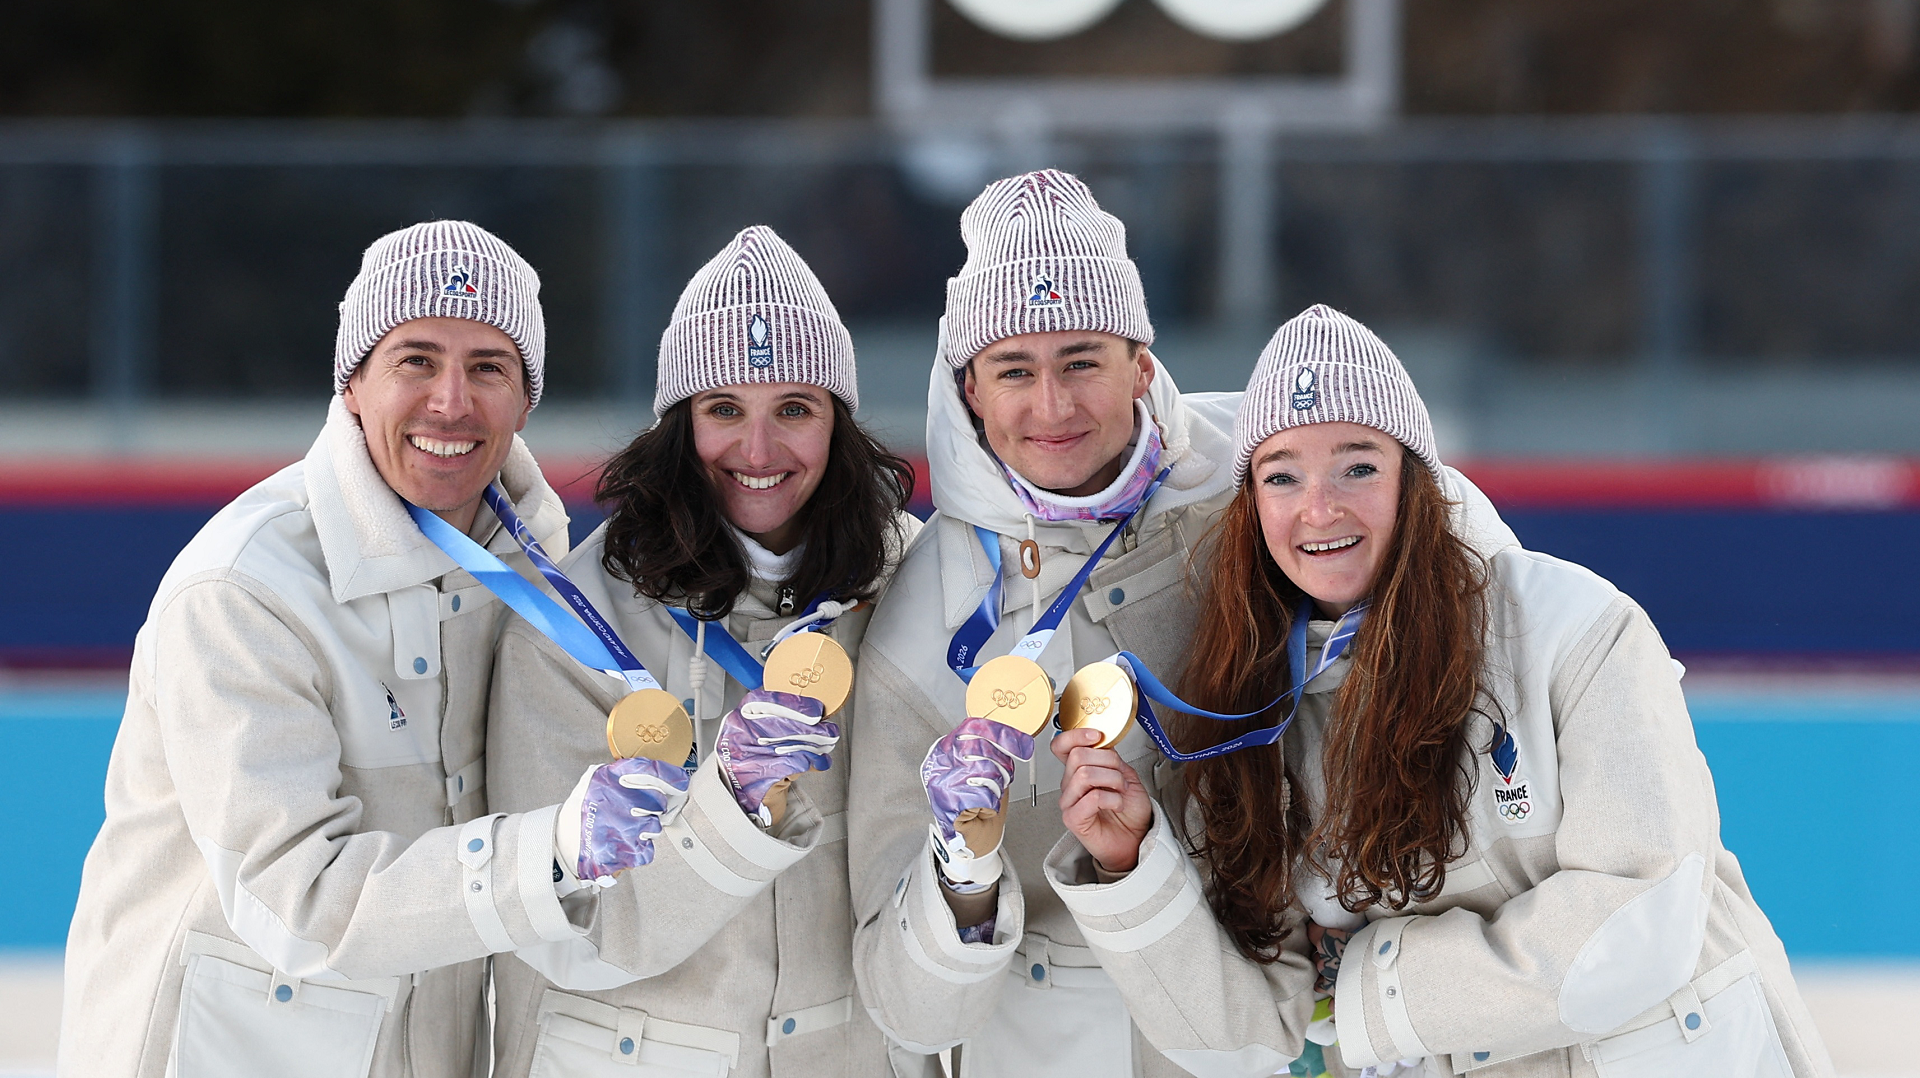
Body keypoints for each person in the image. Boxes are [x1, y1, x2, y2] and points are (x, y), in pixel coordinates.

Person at [1045, 304, 1836, 1078]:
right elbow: (1249, 1038)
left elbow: (1640, 921)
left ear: (1415, 483)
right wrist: (1128, 865)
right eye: (1281, 476)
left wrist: (1367, 985)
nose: (1319, 507)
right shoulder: (1248, 712)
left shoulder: (1577, 626)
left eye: (1358, 466)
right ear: (1252, 509)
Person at [61, 221, 674, 1078]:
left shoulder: (543, 584)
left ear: (526, 400)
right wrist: (554, 847)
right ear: (353, 382)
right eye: (415, 360)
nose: (450, 403)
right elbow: (298, 899)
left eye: (488, 368)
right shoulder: (243, 590)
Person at [487, 224, 920, 1077]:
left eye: (794, 409)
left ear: (838, 424)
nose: (757, 452)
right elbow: (565, 928)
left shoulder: (913, 580)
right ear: (678, 426)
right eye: (724, 410)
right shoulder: (573, 623)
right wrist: (731, 806)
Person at [848, 169, 1241, 1077]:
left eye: (1082, 361)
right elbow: (904, 1008)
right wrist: (960, 871)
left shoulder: (1266, 487)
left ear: (1142, 365)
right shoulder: (920, 618)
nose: (1053, 406)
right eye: (1015, 370)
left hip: (1261, 1024)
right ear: (970, 390)